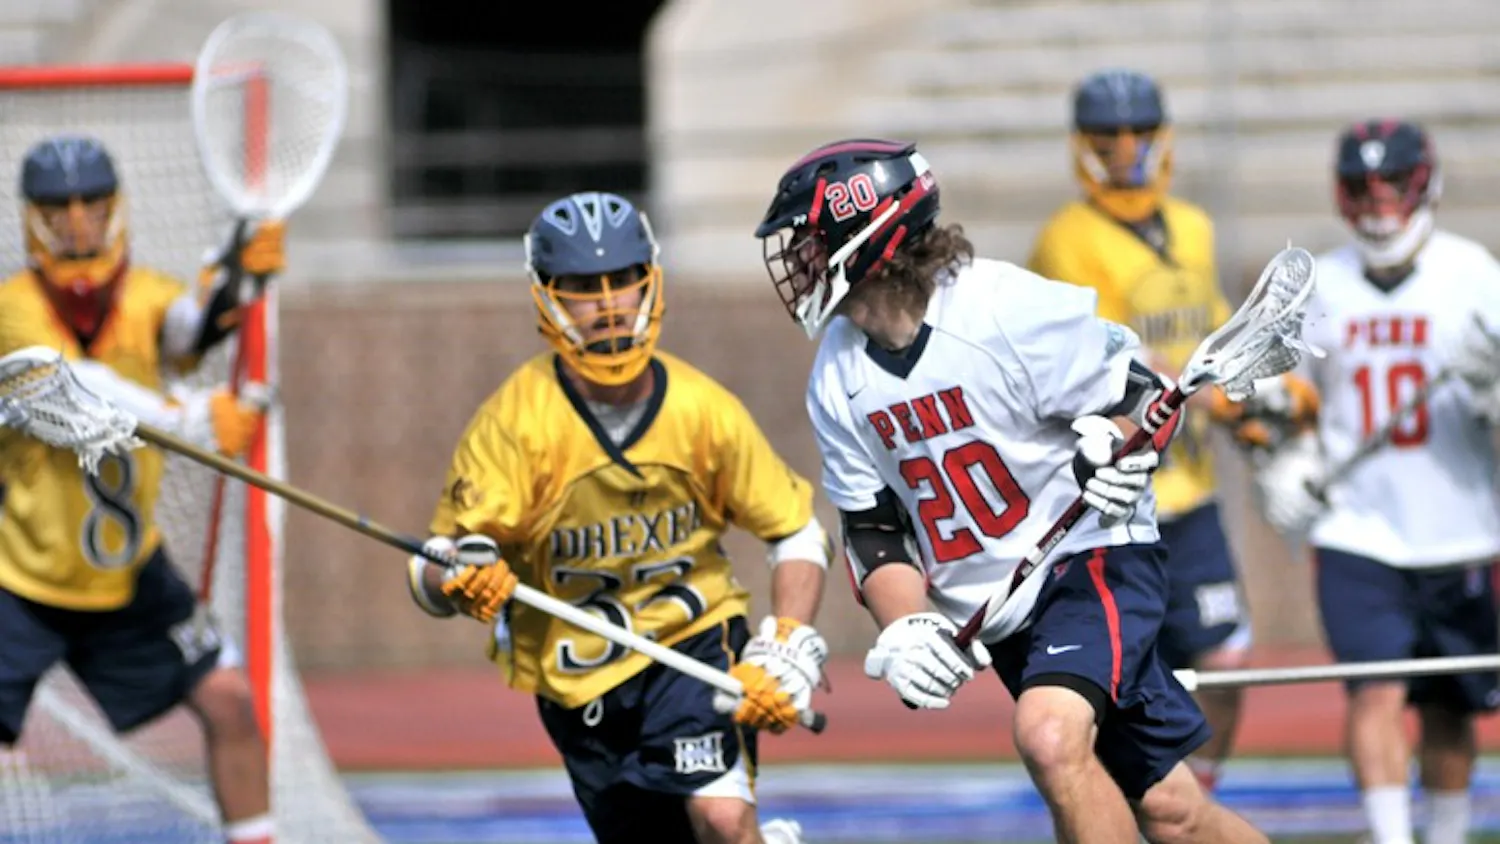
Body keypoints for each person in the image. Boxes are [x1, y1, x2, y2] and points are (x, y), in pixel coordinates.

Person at [753, 137, 1269, 843]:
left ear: (865, 235)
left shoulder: (1002, 309)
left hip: (1090, 561)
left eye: (812, 242)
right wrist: (905, 625)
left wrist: (1119, 449)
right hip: (1004, 611)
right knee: (1172, 811)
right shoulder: (836, 379)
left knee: (1050, 738)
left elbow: (1143, 396)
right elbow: (873, 528)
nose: (801, 263)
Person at [408, 191, 828, 844]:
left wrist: (783, 645)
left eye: (623, 281)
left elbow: (796, 530)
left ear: (649, 283)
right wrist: (464, 577)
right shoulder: (514, 423)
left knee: (720, 817)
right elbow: (434, 569)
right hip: (579, 685)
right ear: (546, 294)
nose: (608, 305)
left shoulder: (700, 410)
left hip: (695, 649)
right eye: (582, 286)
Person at [0, 135, 284, 843]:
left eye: (91, 203)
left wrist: (231, 284)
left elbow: (187, 331)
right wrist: (194, 417)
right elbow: (76, 388)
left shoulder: (147, 294)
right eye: (58, 206)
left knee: (228, 699)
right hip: (21, 576)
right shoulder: (13, 310)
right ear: (33, 218)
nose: (77, 220)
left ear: (114, 208)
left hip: (125, 572)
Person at [1026, 69, 1285, 791]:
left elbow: (1215, 331)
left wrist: (1269, 398)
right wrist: (1219, 400)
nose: (1125, 149)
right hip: (1115, 501)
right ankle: (1121, 808)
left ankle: (1189, 801)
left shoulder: (1194, 227)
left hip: (1190, 491)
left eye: (1138, 131)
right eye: (1108, 136)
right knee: (1113, 686)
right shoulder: (1066, 241)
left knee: (1227, 660)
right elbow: (1121, 358)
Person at [1253, 119, 1500, 844]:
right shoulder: (1318, 284)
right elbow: (1279, 404)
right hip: (1358, 528)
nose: (1378, 202)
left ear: (1426, 183)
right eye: (1361, 186)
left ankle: (1447, 834)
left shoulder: (1477, 277)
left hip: (1462, 527)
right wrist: (1285, 462)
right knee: (1376, 691)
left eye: (1393, 183)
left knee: (1453, 705)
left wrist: (1493, 396)